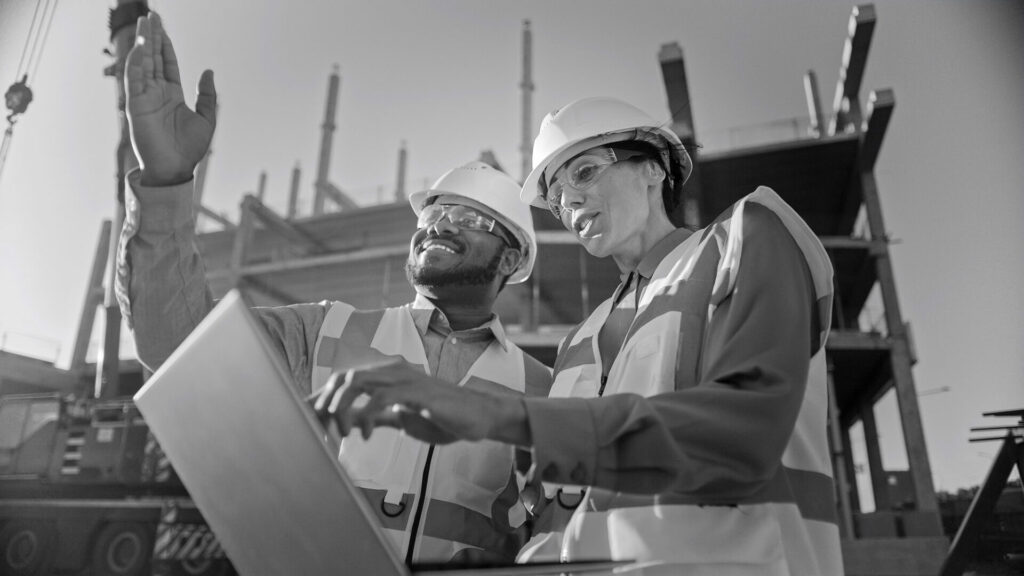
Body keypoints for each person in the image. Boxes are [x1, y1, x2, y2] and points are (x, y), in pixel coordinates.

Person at [320, 96, 842, 575]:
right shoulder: (579, 343)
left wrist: (494, 413)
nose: (570, 204)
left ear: (653, 167)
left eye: (585, 173)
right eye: (555, 196)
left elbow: (744, 434)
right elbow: (553, 512)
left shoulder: (746, 237)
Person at [116, 13, 552, 564]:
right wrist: (165, 182)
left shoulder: (545, 392)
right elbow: (175, 346)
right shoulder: (325, 332)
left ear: (511, 257)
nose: (439, 225)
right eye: (435, 212)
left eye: (471, 219)